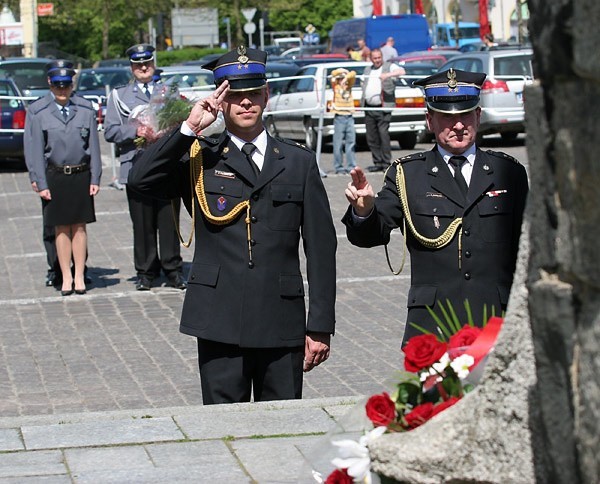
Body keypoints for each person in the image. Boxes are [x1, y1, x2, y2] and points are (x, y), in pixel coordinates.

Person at [128, 46, 337, 405]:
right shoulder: (200, 157)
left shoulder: (298, 162)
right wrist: (189, 128)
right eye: (234, 95)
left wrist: (320, 325)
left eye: (253, 94)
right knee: (223, 433)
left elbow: (321, 249)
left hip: (281, 320)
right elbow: (140, 181)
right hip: (219, 319)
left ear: (266, 96)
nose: (245, 103)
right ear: (220, 102)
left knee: (285, 433)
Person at [343, 68, 529, 344]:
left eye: (465, 115)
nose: (458, 125)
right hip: (432, 325)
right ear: (429, 120)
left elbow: (528, 247)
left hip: (495, 321)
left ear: (478, 116)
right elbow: (371, 235)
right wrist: (364, 210)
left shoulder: (507, 171)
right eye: (447, 117)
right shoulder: (408, 174)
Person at [104, 43, 186, 291]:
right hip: (136, 164)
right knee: (142, 221)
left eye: (147, 63)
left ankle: (173, 269)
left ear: (153, 64)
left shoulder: (168, 91)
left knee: (169, 219)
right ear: (132, 67)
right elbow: (109, 130)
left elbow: (181, 122)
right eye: (138, 64)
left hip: (166, 165)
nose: (143, 67)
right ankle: (146, 271)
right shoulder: (119, 96)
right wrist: (136, 130)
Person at [24, 62, 102, 296]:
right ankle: (65, 276)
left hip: (80, 175)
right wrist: (39, 180)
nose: (62, 91)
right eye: (58, 86)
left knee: (79, 227)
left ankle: (79, 275)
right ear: (49, 83)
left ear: (71, 85)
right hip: (55, 176)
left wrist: (95, 177)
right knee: (60, 228)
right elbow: (34, 150)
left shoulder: (85, 109)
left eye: (66, 86)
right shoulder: (37, 112)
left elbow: (95, 149)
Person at [360, 48, 406, 172]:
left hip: (383, 107)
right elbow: (363, 83)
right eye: (374, 58)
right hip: (368, 107)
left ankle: (386, 162)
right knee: (371, 137)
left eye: (379, 57)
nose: (377, 60)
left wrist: (388, 75)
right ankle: (377, 162)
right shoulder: (368, 69)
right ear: (371, 59)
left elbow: (402, 71)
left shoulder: (388, 66)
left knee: (383, 135)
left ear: (382, 57)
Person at [331, 68, 357, 174]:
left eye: (343, 78)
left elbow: (353, 74)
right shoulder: (335, 86)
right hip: (339, 116)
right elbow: (333, 73)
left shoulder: (348, 86)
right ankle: (339, 166)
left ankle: (351, 166)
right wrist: (340, 71)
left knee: (351, 142)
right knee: (338, 143)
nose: (342, 80)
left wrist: (346, 75)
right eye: (340, 78)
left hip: (349, 116)